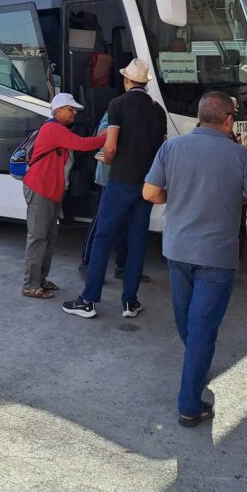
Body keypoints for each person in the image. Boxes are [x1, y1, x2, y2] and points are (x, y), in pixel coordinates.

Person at [142, 91, 247, 426]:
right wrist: (237, 194)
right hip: (217, 254)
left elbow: (150, 193)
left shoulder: (172, 147)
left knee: (187, 320)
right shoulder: (240, 155)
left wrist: (177, 194)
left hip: (177, 248)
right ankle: (189, 403)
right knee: (203, 327)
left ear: (200, 117)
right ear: (229, 120)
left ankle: (196, 364)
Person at [63, 59, 167, 319]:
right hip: (146, 184)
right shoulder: (158, 111)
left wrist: (109, 160)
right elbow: (161, 151)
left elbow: (110, 146)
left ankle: (89, 300)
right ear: (145, 83)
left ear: (127, 80)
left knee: (103, 237)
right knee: (137, 241)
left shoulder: (117, 104)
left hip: (120, 180)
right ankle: (130, 302)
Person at [21, 93, 107, 299]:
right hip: (41, 189)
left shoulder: (57, 129)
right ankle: (30, 285)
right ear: (58, 110)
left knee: (48, 237)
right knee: (38, 237)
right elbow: (83, 144)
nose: (74, 113)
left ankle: (40, 280)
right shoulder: (53, 129)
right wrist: (110, 136)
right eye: (71, 109)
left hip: (49, 190)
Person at [77, 112, 150, 282]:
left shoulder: (149, 111)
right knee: (101, 221)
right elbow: (101, 135)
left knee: (126, 224)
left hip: (132, 177)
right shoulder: (115, 110)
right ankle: (87, 264)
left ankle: (123, 267)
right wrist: (125, 130)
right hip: (108, 177)